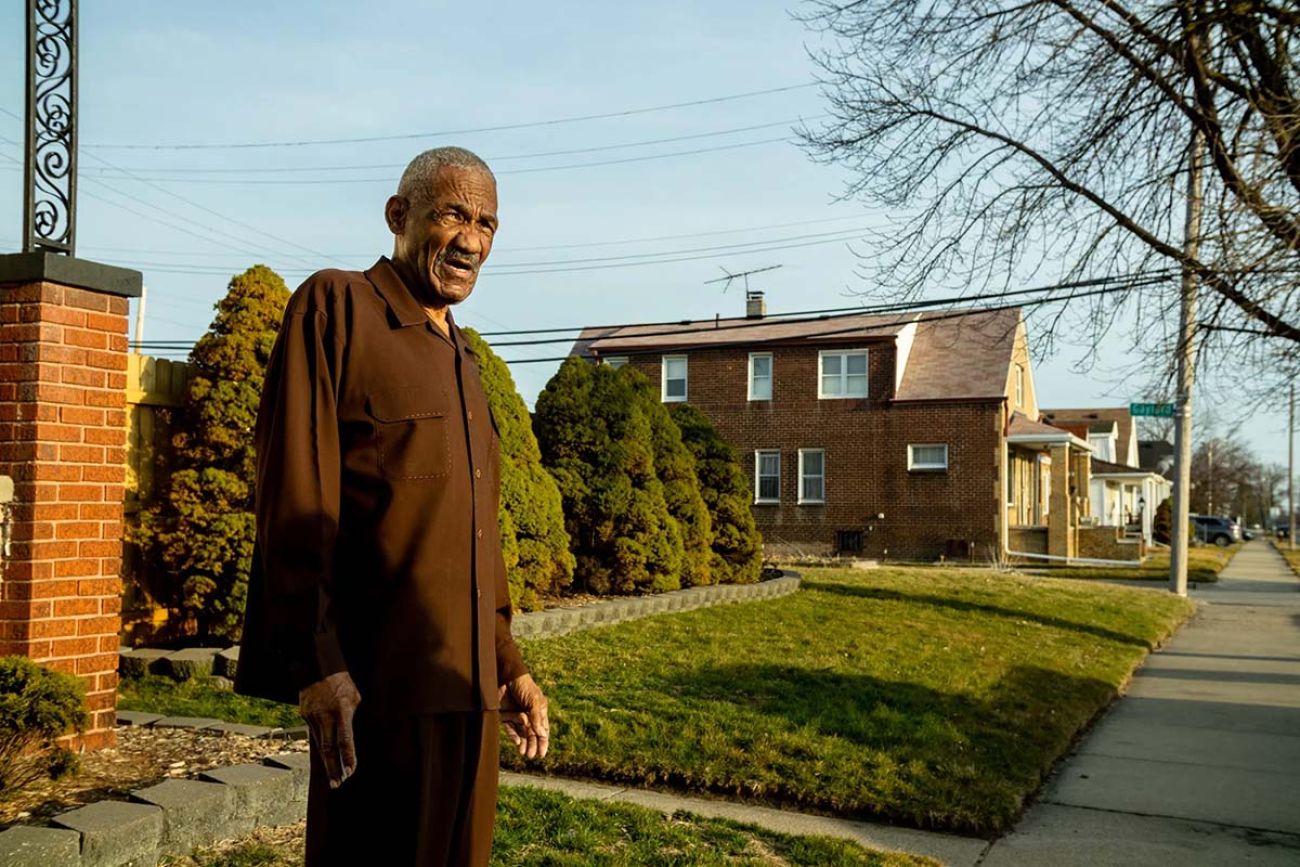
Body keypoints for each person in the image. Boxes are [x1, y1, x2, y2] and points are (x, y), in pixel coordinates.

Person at [235, 146, 549, 866]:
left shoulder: (465, 361)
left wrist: (509, 665)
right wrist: (318, 666)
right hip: (374, 694)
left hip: (469, 696)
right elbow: (294, 494)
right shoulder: (336, 307)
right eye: (454, 214)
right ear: (398, 216)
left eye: (488, 223)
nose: (472, 239)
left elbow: (479, 537)